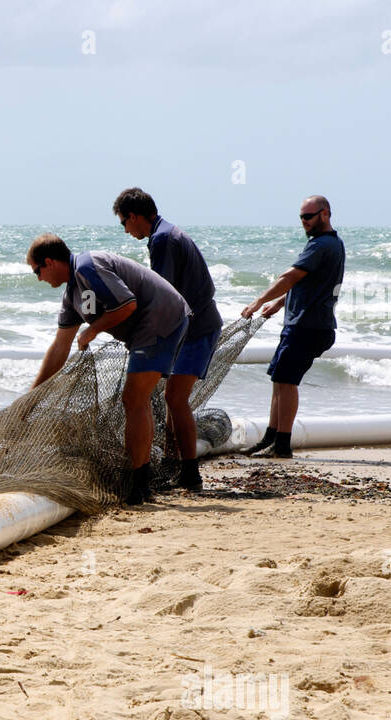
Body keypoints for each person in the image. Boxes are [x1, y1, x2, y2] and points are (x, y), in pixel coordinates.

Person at [26, 233, 191, 504]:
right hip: (150, 326)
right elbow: (60, 347)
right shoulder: (72, 293)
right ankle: (140, 481)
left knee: (133, 399)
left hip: (161, 316)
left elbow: (126, 304)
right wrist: (33, 396)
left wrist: (92, 329)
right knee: (137, 401)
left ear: (49, 262)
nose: (39, 279)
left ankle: (138, 486)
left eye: (37, 272)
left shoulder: (87, 266)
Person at [113, 188, 223, 492]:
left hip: (196, 328)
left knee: (174, 398)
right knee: (170, 399)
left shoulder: (162, 240)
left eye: (124, 222)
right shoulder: (166, 233)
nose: (125, 229)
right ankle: (176, 465)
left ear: (134, 216)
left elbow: (162, 293)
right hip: (192, 325)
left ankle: (190, 473)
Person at [239, 195, 345, 458]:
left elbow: (291, 276)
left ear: (325, 214)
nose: (304, 222)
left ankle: (283, 445)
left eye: (309, 216)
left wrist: (258, 301)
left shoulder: (321, 245)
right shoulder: (329, 245)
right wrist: (277, 305)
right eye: (301, 217)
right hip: (303, 324)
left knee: (287, 382)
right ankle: (271, 438)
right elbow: (307, 283)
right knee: (279, 379)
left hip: (308, 326)